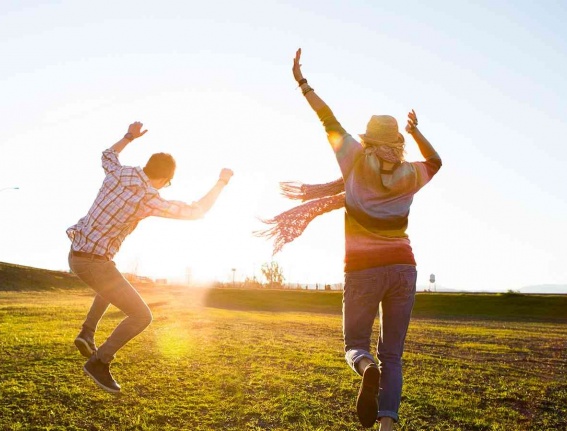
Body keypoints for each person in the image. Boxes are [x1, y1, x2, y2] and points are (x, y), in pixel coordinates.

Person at [257, 49, 441, 429]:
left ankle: (364, 367)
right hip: (404, 268)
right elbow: (436, 161)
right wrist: (416, 131)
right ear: (398, 141)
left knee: (355, 344)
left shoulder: (354, 158)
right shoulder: (410, 173)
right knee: (394, 354)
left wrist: (302, 83)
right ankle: (388, 424)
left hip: (362, 269)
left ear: (368, 139)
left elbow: (326, 117)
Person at [67, 121, 233, 394]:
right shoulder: (148, 197)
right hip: (93, 262)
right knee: (141, 316)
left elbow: (107, 154)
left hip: (76, 254)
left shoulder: (119, 173)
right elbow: (195, 211)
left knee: (111, 284)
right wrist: (221, 182)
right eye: (168, 184)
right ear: (165, 179)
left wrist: (129, 136)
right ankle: (99, 361)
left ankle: (87, 331)